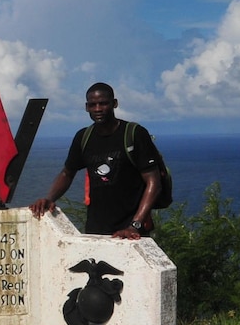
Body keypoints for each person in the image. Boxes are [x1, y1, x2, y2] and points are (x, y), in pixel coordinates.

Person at [28, 83, 162, 239]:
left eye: (103, 103)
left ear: (114, 103)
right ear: (87, 107)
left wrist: (135, 225)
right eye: (93, 105)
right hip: (95, 230)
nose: (98, 109)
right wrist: (49, 199)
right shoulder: (84, 137)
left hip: (131, 231)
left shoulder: (134, 134)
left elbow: (154, 182)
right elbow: (67, 173)